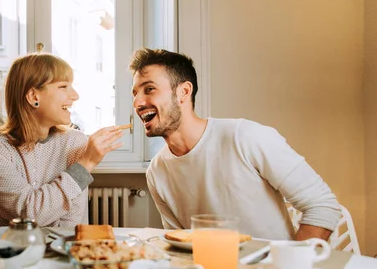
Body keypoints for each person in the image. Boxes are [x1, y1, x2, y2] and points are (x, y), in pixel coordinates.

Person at [129, 48, 341, 241]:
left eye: (149, 89)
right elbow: (182, 243)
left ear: (183, 92)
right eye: (135, 93)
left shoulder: (245, 136)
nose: (138, 103)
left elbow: (322, 205)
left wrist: (291, 267)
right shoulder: (156, 172)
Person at [0, 53, 125, 227]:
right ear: (33, 97)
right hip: (8, 252)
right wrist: (85, 164)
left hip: (62, 250)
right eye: (63, 86)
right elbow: (30, 216)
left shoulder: (74, 141)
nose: (75, 95)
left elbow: (71, 225)